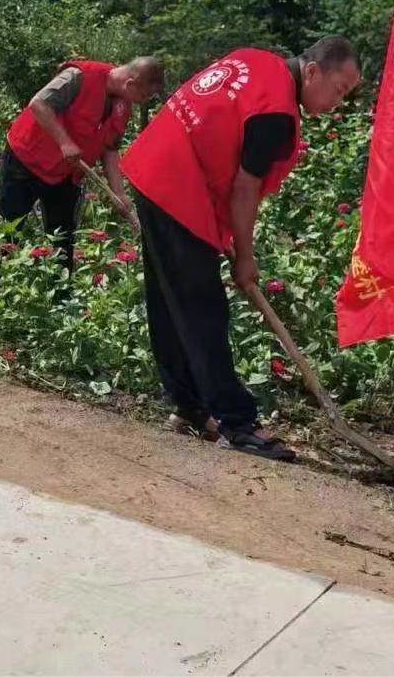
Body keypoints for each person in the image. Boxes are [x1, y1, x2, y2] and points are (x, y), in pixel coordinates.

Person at [123, 37, 361, 462]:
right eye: (339, 90)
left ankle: (190, 408)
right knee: (202, 309)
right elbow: (245, 189)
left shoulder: (258, 61)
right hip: (178, 186)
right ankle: (238, 423)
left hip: (156, 167)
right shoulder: (277, 114)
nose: (337, 103)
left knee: (171, 301)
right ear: (312, 72)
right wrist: (245, 258)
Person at [0, 57, 164, 267]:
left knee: (63, 242)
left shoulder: (122, 106)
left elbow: (111, 150)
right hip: (26, 161)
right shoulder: (79, 77)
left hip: (66, 174)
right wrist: (64, 142)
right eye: (144, 95)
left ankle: (61, 296)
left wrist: (119, 194)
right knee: (8, 232)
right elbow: (39, 104)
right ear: (130, 84)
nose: (143, 101)